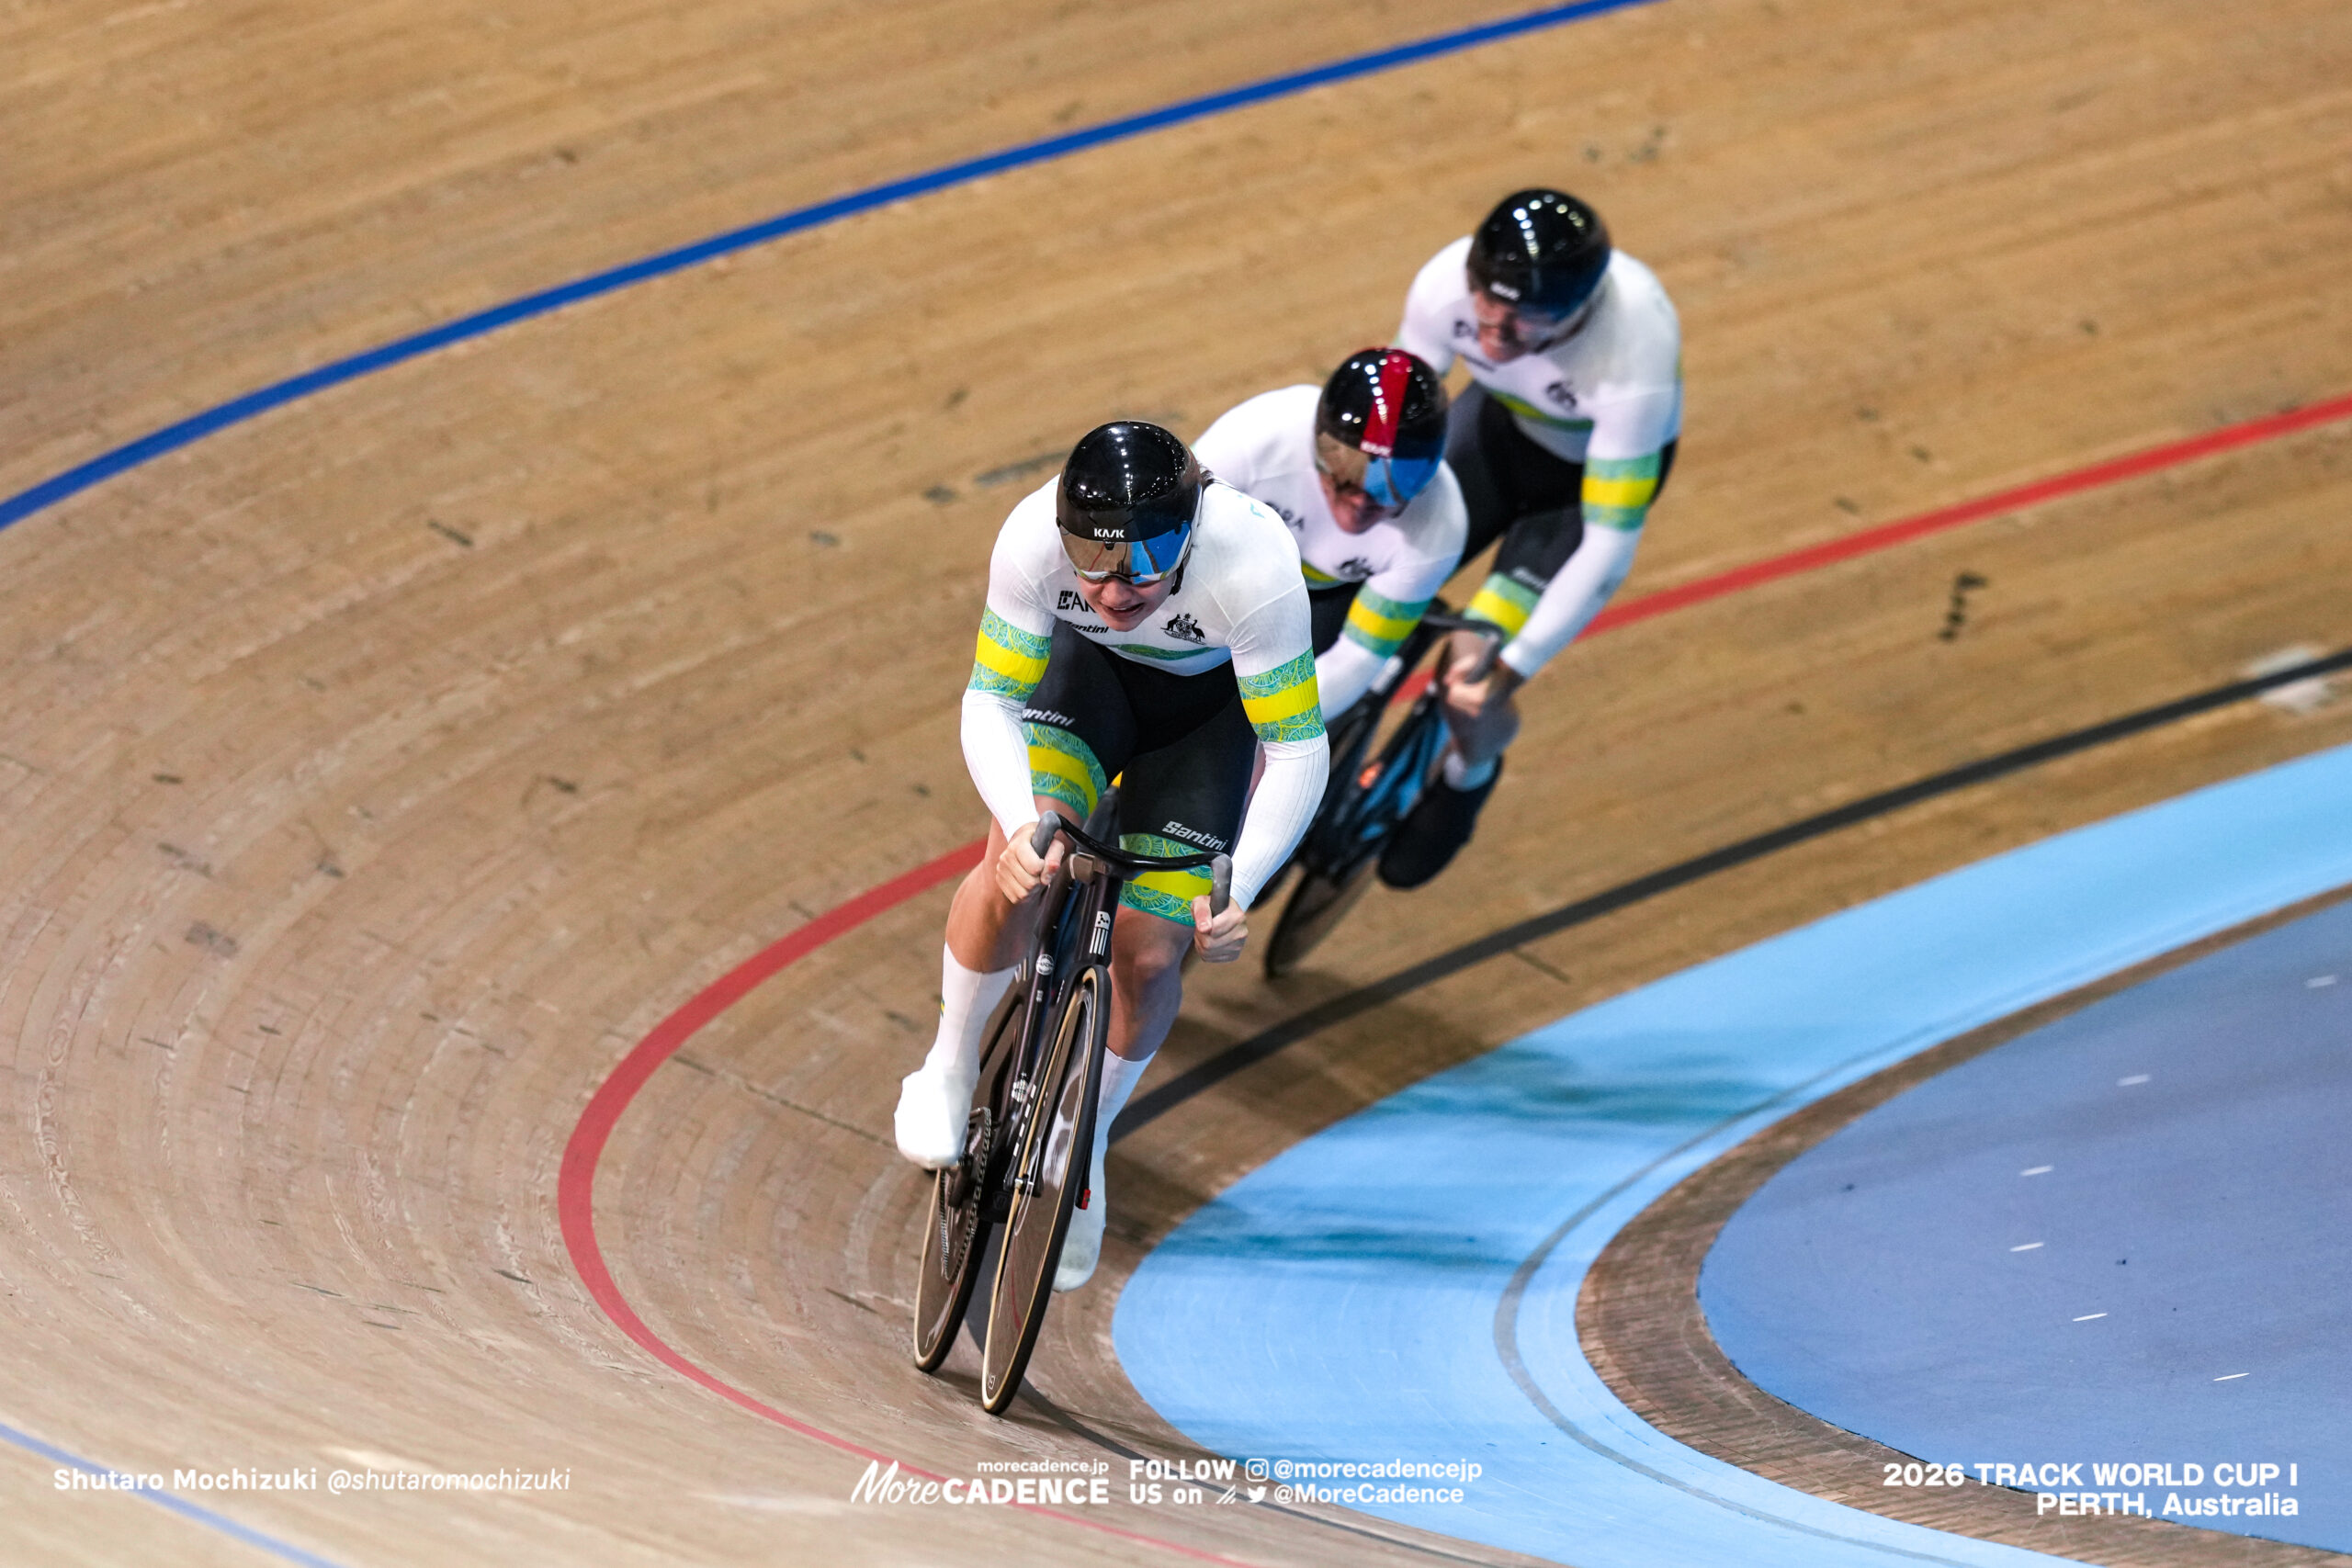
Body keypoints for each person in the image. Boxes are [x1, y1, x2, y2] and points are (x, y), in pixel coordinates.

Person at [893, 421, 1329, 1292]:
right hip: (1084, 682)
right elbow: (990, 699)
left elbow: (1296, 749)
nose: (1116, 583)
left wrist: (1241, 883)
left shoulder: (1256, 562)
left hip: (1201, 723)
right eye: (1090, 554)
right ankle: (946, 1061)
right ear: (1061, 533)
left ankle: (1085, 1137)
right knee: (1027, 859)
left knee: (1151, 950)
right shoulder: (1028, 541)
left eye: (1146, 555)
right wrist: (1019, 824)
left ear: (1193, 531)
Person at [1384, 187, 1682, 886]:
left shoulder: (1633, 350)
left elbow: (1607, 544)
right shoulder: (1443, 284)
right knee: (1374, 563)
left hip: (1577, 496)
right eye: (1486, 308)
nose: (1492, 337)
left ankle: (1469, 772)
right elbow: (1397, 424)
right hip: (1495, 433)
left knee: (1470, 673)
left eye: (1523, 325)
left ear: (1579, 312)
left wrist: (1512, 666)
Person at [1192, 347, 1466, 738]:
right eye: (1345, 469)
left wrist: (1261, 730)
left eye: (1396, 483)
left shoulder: (1439, 523)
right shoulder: (1255, 438)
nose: (1361, 500)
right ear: (1316, 444)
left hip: (1331, 598)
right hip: (1233, 570)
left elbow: (1357, 658)